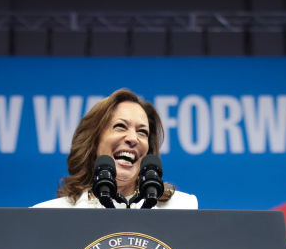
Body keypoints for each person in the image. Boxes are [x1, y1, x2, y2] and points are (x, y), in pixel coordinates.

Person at [33, 89, 198, 209]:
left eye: (142, 132)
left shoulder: (182, 208)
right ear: (94, 141)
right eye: (120, 126)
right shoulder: (49, 216)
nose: (133, 138)